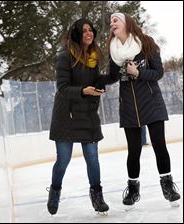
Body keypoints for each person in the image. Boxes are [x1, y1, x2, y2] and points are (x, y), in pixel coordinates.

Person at [100, 12, 181, 207]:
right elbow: (111, 76)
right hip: (128, 105)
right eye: (111, 21)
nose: (112, 23)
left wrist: (138, 72)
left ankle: (167, 185)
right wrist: (94, 80)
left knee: (159, 145)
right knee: (134, 150)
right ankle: (133, 189)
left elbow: (158, 72)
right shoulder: (114, 50)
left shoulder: (146, 43)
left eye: (115, 19)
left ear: (127, 22)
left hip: (152, 103)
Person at [47, 18, 109, 215]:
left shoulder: (94, 57)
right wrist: (84, 91)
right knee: (63, 159)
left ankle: (97, 196)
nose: (89, 33)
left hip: (87, 114)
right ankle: (55, 190)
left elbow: (96, 81)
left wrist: (100, 87)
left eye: (91, 30)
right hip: (66, 115)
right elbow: (62, 88)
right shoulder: (65, 55)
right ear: (76, 34)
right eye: (84, 31)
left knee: (92, 158)